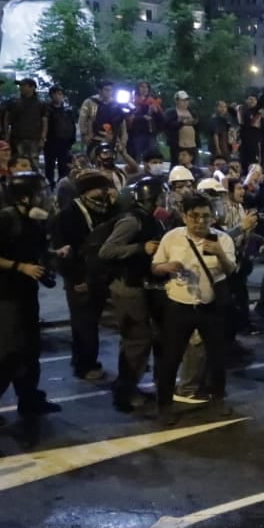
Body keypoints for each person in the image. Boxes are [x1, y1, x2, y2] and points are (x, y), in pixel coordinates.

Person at [0, 172, 59, 424]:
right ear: (25, 197)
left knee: (30, 347)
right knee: (11, 348)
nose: (46, 198)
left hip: (24, 290)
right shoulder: (4, 220)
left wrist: (53, 255)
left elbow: (31, 249)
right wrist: (19, 267)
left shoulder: (34, 220)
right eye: (41, 193)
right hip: (1, 292)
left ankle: (29, 398)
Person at [150, 193, 235, 419]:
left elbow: (231, 271)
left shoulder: (222, 240)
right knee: (171, 357)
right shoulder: (172, 238)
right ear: (185, 217)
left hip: (210, 305)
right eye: (194, 216)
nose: (200, 222)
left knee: (217, 356)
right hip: (180, 305)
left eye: (206, 217)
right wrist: (168, 267)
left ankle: (218, 399)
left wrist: (219, 255)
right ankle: (165, 405)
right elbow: (155, 267)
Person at [100, 175, 167, 413]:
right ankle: (125, 393)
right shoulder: (132, 221)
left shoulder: (150, 219)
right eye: (160, 196)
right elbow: (107, 251)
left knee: (138, 339)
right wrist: (140, 248)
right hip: (127, 288)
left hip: (141, 284)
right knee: (137, 340)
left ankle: (129, 386)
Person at [52, 171, 117, 383]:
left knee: (89, 322)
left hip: (98, 275)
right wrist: (76, 279)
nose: (105, 193)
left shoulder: (102, 210)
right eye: (101, 188)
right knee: (84, 324)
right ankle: (85, 365)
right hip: (80, 278)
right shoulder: (68, 215)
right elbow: (63, 251)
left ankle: (81, 359)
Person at [3, 78, 46, 164]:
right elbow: (6, 119)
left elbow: (45, 121)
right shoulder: (14, 102)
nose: (20, 88)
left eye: (23, 85)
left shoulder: (40, 104)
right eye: (20, 85)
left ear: (32, 87)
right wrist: (7, 134)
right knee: (18, 162)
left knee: (34, 162)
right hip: (17, 138)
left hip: (34, 138)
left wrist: (43, 138)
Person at [42, 86, 78, 184]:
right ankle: (50, 184)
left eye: (60, 94)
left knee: (64, 165)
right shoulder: (46, 110)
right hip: (50, 142)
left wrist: (72, 139)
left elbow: (72, 125)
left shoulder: (68, 110)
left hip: (64, 142)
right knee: (50, 165)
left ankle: (61, 183)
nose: (58, 96)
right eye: (55, 94)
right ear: (51, 95)